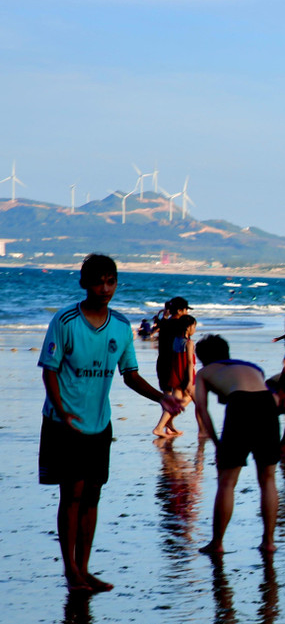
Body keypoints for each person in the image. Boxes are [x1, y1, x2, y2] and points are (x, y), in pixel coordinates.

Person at [39, 254, 184, 593]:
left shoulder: (120, 325)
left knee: (92, 495)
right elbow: (49, 370)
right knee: (70, 494)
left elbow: (130, 374)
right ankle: (71, 571)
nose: (105, 289)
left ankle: (85, 569)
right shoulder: (65, 321)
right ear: (83, 283)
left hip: (99, 424)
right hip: (64, 422)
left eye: (111, 281)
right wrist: (62, 411)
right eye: (98, 282)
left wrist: (161, 397)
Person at [191, 335, 282, 555]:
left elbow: (202, 409)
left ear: (202, 359)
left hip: (240, 406)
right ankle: (268, 542)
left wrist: (216, 443)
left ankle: (217, 543)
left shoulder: (204, 372)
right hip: (267, 405)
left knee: (227, 482)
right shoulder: (253, 367)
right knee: (268, 479)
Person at [153, 314, 197, 438]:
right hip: (185, 375)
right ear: (188, 327)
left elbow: (176, 359)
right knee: (189, 400)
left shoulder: (176, 340)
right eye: (194, 327)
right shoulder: (189, 343)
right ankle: (160, 426)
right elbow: (189, 362)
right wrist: (189, 380)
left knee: (176, 402)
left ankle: (164, 425)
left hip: (176, 373)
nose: (194, 329)